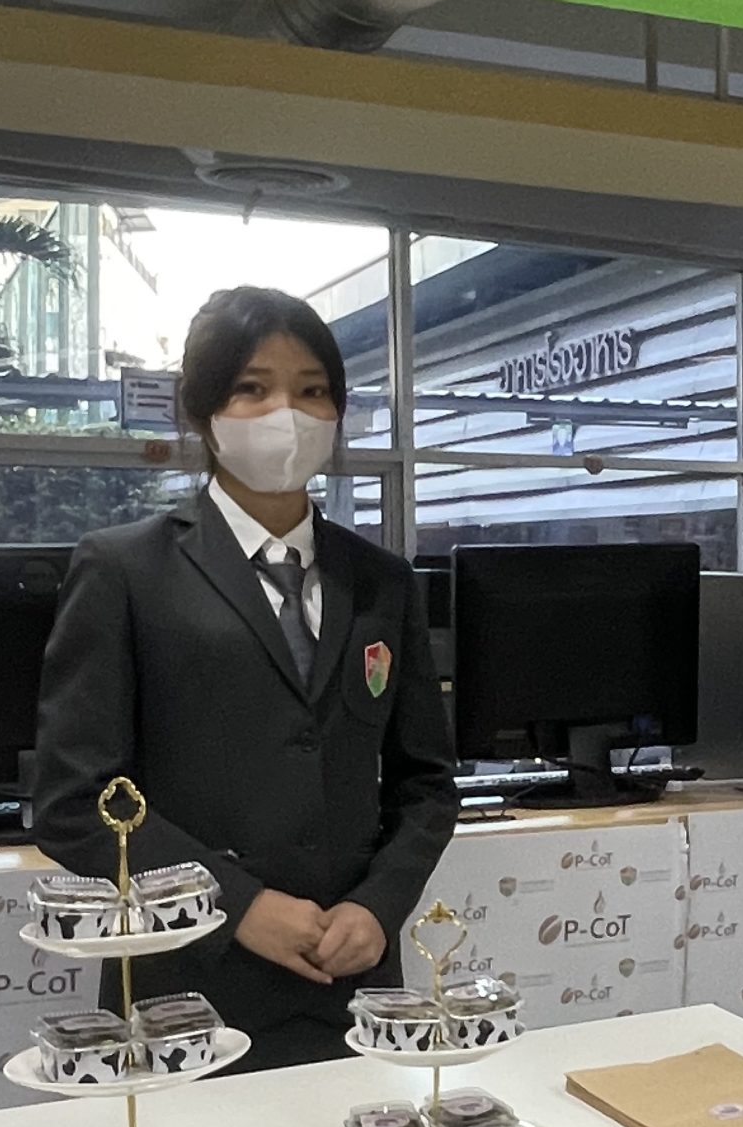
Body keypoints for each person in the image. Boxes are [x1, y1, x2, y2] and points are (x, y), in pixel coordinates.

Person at [34, 287, 459, 1067]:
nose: (285, 414)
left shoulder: (382, 581)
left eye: (312, 391)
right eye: (252, 388)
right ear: (202, 411)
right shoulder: (125, 569)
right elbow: (75, 801)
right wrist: (236, 903)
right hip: (188, 985)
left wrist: (379, 905)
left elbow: (425, 784)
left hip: (353, 987)